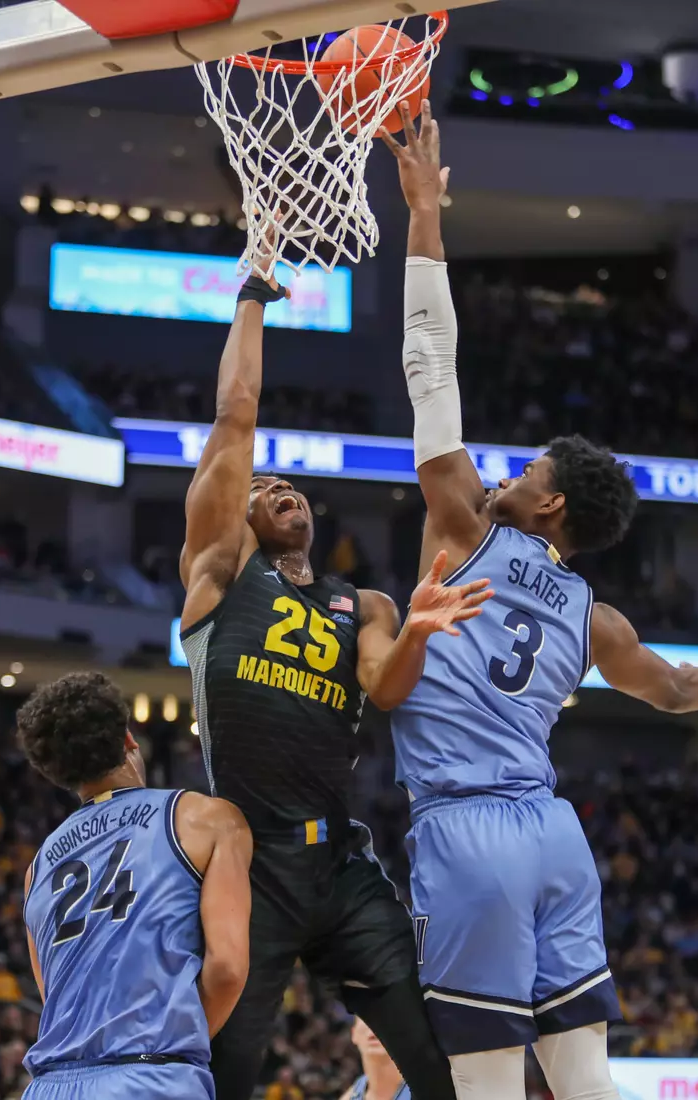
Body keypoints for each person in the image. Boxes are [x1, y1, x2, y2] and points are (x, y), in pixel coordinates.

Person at [378, 100, 698, 1100]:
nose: (500, 469)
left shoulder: (465, 525)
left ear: (546, 504)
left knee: (490, 1084)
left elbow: (429, 364)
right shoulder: (601, 618)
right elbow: (675, 696)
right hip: (553, 834)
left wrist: (425, 218)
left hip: (467, 828)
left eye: (522, 468)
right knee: (587, 1080)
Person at [176, 225, 489, 1100]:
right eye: (265, 489)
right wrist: (253, 293)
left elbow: (387, 688)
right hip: (252, 862)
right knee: (228, 1070)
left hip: (340, 864)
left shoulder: (367, 606)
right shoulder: (220, 573)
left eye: (293, 488)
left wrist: (421, 627)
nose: (280, 490)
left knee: (433, 1058)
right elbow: (235, 416)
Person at [18, 671, 255, 1100]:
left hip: (49, 1085)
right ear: (129, 740)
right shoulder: (205, 819)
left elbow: (54, 995)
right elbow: (228, 969)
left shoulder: (39, 866)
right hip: (151, 1077)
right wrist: (174, 1038)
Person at [346, 1018, 408, 1100]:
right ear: (353, 1034)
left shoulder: (427, 1086)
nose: (373, 1025)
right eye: (364, 1016)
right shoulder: (352, 1094)